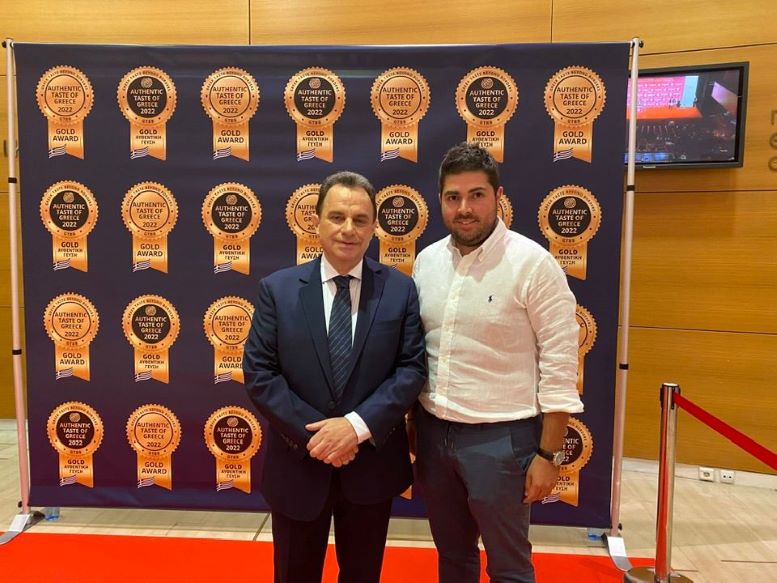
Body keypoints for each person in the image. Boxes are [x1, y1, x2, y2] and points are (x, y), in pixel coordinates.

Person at [411, 142, 583, 583]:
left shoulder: (534, 265)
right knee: (452, 558)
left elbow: (560, 366)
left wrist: (548, 454)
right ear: (440, 200)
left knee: (509, 568)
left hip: (503, 443)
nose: (464, 209)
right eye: (453, 197)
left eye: (477, 195)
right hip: (434, 436)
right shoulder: (426, 262)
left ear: (498, 196)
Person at [242, 171, 426, 583]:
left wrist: (354, 429)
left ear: (374, 226)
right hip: (298, 466)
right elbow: (260, 373)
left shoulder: (400, 290)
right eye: (337, 217)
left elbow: (411, 369)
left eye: (360, 219)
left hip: (370, 467)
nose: (348, 229)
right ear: (317, 222)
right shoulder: (278, 290)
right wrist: (322, 438)